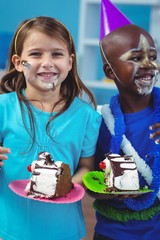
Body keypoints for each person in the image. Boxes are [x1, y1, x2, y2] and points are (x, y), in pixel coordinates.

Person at [0, 16, 101, 240]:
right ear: (18, 63)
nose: (47, 62)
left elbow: (86, 166)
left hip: (64, 230)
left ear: (70, 62)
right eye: (36, 54)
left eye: (57, 54)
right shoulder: (2, 108)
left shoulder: (87, 117)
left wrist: (64, 187)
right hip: (10, 229)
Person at [93, 24, 160, 240]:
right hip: (112, 232)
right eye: (136, 58)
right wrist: (108, 191)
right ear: (109, 71)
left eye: (152, 56)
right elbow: (90, 180)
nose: (149, 65)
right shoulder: (99, 121)